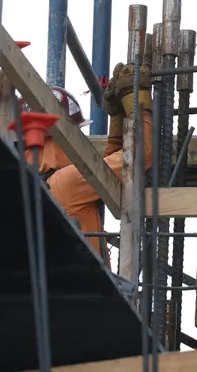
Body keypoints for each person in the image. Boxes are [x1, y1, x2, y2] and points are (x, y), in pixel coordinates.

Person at [35, 63, 152, 258]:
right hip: (87, 287)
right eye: (75, 133)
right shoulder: (65, 183)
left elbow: (105, 174)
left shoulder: (39, 184)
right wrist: (136, 100)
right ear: (58, 136)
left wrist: (118, 121)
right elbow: (141, 154)